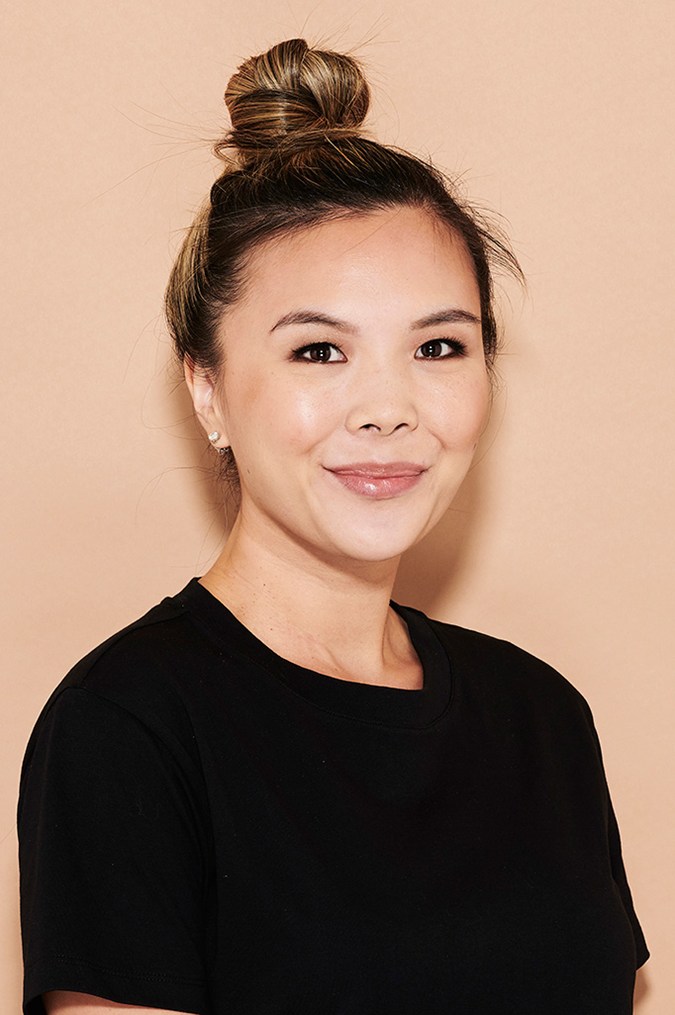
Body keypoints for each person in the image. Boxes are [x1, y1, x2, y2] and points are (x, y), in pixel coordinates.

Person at [18, 37, 648, 1015]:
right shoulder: (130, 729)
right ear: (207, 388)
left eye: (438, 346)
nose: (388, 409)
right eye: (319, 350)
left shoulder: (541, 715)